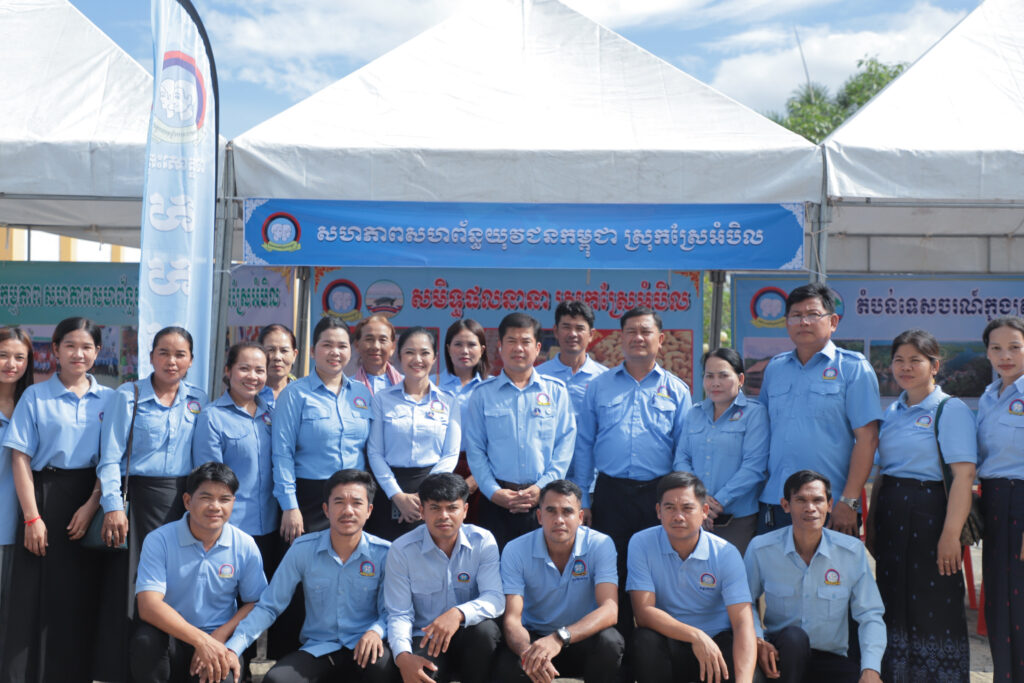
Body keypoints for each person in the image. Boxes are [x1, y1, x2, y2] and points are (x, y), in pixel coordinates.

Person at [0, 318, 112, 683]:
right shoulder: (35, 396)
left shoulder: (111, 399)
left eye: (87, 347)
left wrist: (93, 503)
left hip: (91, 500)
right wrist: (32, 518)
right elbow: (20, 457)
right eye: (70, 346)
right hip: (44, 497)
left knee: (80, 597)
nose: (78, 354)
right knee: (34, 598)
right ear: (55, 350)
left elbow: (111, 459)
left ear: (97, 352)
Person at [97, 325, 209, 681]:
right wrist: (113, 506)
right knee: (131, 588)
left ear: (191, 360)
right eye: (164, 353)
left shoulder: (199, 400)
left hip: (180, 504)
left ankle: (172, 664)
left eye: (180, 354)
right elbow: (109, 459)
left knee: (175, 584)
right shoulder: (127, 396)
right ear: (150, 357)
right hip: (136, 504)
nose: (171, 361)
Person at [571, 306, 691, 639]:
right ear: (621, 338)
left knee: (660, 571)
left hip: (658, 495)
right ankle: (619, 650)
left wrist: (677, 502)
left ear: (660, 339)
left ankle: (659, 650)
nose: (638, 338)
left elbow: (683, 452)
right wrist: (583, 499)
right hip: (611, 493)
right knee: (613, 572)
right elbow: (584, 445)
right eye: (631, 332)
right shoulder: (599, 386)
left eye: (645, 331)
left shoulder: (677, 390)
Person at [866, 329, 974, 680]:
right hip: (892, 517)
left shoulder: (949, 410)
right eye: (899, 360)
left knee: (934, 603)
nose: (905, 367)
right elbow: (882, 472)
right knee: (892, 602)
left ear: (935, 366)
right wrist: (873, 523)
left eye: (916, 360)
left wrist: (951, 535)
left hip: (932, 518)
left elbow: (963, 476)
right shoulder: (892, 412)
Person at [225, 469, 396, 683]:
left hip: (365, 646)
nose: (348, 510)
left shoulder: (385, 554)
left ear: (369, 510)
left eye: (357, 503)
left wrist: (376, 631)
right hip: (319, 649)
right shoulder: (303, 549)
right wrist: (233, 647)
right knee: (277, 680)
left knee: (386, 669)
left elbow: (391, 611)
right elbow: (269, 605)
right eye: (339, 502)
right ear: (326, 509)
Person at [757, 283, 881, 536]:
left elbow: (867, 439)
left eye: (813, 314)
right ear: (787, 322)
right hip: (776, 502)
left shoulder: (852, 368)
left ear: (833, 322)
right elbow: (762, 433)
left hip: (831, 506)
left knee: (831, 565)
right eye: (796, 315)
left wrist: (849, 501)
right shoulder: (775, 369)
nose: (803, 322)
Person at [131, 462, 267, 683]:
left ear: (233, 502)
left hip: (219, 638)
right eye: (206, 497)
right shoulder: (159, 540)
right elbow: (148, 606)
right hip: (172, 637)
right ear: (187, 501)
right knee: (145, 641)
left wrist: (221, 639)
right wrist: (201, 641)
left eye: (224, 499)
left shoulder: (244, 545)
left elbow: (257, 603)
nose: (215, 506)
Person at [746, 470, 885, 683]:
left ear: (829, 505)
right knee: (794, 638)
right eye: (801, 500)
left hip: (831, 659)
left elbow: (870, 614)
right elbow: (744, 602)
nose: (810, 508)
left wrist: (871, 669)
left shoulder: (851, 552)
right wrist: (757, 639)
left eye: (818, 500)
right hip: (781, 657)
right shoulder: (761, 549)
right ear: (785, 505)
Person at [628, 471, 758, 683]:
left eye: (687, 508)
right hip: (670, 641)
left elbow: (742, 623)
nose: (678, 516)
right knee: (645, 639)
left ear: (704, 511)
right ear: (658, 511)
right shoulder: (641, 543)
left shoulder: (726, 553)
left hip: (716, 643)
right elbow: (643, 612)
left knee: (737, 654)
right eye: (670, 508)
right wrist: (695, 636)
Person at [464, 312, 576, 548]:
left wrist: (541, 488)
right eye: (511, 341)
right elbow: (476, 449)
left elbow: (564, 447)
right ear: (500, 347)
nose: (519, 348)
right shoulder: (483, 394)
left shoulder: (556, 392)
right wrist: (493, 492)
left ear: (537, 348)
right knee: (494, 566)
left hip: (543, 503)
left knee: (542, 566)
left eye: (525, 342)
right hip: (495, 503)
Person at [497, 479, 624, 683]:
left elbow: (609, 610)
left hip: (580, 637)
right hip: (534, 640)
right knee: (506, 666)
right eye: (551, 511)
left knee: (610, 642)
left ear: (580, 517)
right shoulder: (515, 549)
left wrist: (559, 637)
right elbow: (512, 618)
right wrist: (529, 654)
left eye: (567, 512)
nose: (559, 520)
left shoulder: (600, 544)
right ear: (540, 516)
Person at [384, 473, 504, 683]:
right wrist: (403, 656)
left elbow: (495, 598)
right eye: (435, 508)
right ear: (422, 511)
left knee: (485, 632)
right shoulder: (401, 549)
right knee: (420, 675)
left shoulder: (483, 541)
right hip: (426, 638)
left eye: (452, 508)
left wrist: (458, 614)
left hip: (469, 635)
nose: (444, 516)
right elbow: (399, 613)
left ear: (465, 511)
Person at [274, 317, 372, 541]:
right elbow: (282, 453)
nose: (335, 352)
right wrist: (290, 506)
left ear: (350, 351)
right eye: (327, 345)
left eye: (342, 346)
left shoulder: (362, 393)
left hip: (354, 496)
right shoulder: (294, 394)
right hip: (310, 497)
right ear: (312, 351)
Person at [193, 342, 278, 577]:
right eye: (244, 368)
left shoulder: (272, 415)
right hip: (231, 529)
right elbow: (209, 479)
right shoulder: (213, 417)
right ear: (228, 370)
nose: (252, 376)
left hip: (272, 527)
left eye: (260, 370)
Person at [368, 327, 461, 540]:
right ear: (399, 357)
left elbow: (450, 454)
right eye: (410, 352)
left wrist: (424, 495)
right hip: (389, 488)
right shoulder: (382, 399)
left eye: (425, 353)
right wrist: (397, 495)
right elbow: (374, 452)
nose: (417, 359)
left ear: (435, 358)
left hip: (434, 491)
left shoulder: (448, 402)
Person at [674, 348, 768, 554]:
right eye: (709, 376)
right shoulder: (694, 413)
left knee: (734, 572)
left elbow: (754, 467)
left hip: (736, 519)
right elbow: (681, 459)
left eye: (723, 375)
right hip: (694, 516)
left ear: (740, 379)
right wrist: (699, 497)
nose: (715, 383)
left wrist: (716, 503)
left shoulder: (754, 414)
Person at [976, 315, 1024, 681]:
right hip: (993, 505)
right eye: (997, 348)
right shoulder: (988, 397)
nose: (1005, 356)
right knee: (999, 605)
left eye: (1015, 347)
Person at [536, 300, 608, 490]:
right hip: (547, 480)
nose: (573, 334)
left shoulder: (605, 379)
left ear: (591, 334)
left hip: (592, 482)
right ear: (555, 331)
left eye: (579, 328)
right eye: (566, 327)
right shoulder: (538, 377)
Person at [439, 319, 489, 520]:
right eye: (458, 344)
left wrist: (476, 478)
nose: (465, 351)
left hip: (481, 469)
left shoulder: (492, 387)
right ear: (448, 348)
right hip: (439, 467)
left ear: (482, 349)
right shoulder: (431, 385)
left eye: (471, 345)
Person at [0, 326, 33, 627]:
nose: (11, 364)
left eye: (19, 357)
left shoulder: (33, 404)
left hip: (21, 528)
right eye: (3, 355)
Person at [352, 315, 402, 395]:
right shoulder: (346, 387)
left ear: (393, 347)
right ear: (357, 345)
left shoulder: (407, 386)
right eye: (369, 339)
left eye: (382, 340)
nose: (376, 346)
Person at [259, 324, 300, 408]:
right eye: (270, 350)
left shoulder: (303, 393)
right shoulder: (247, 394)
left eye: (284, 350)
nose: (277, 357)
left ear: (294, 355)